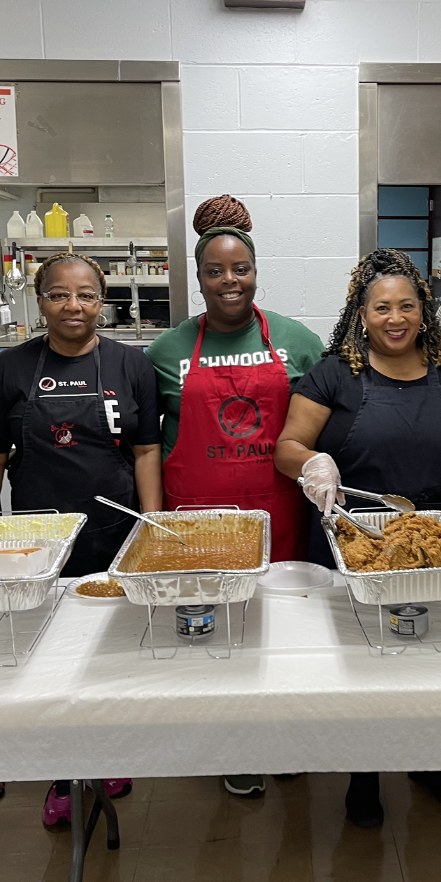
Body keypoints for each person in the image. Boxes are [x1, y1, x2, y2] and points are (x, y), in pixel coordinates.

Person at [275, 248, 441, 830]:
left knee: (437, 660)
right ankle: (364, 772)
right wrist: (313, 463)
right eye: (382, 307)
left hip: (438, 544)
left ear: (425, 312)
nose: (395, 318)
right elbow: (286, 447)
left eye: (407, 306)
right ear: (362, 314)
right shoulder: (333, 376)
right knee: (365, 663)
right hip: (357, 542)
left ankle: (431, 761)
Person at [0, 251, 162, 827]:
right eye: (58, 294)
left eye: (85, 295)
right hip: (40, 539)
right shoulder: (10, 369)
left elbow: (147, 451)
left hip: (114, 533)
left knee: (112, 652)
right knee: (50, 658)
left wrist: (152, 531)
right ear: (40, 301)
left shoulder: (131, 365)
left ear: (102, 301)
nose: (72, 306)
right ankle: (62, 772)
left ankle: (110, 755)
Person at [146, 195, 324, 801]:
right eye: (215, 271)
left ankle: (287, 735)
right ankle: (231, 744)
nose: (230, 281)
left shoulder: (297, 341)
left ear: (255, 271)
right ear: (198, 278)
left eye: (240, 269)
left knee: (283, 629)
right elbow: (145, 443)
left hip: (281, 514)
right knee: (215, 634)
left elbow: (327, 421)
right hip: (200, 520)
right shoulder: (166, 351)